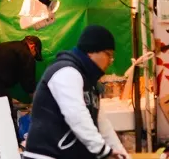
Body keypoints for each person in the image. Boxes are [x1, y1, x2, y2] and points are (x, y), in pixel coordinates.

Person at [25, 25, 129, 159]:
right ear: (91, 52)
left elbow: (102, 124)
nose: (110, 61)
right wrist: (102, 150)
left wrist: (122, 154)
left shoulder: (90, 83)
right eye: (108, 54)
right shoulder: (66, 71)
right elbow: (77, 115)